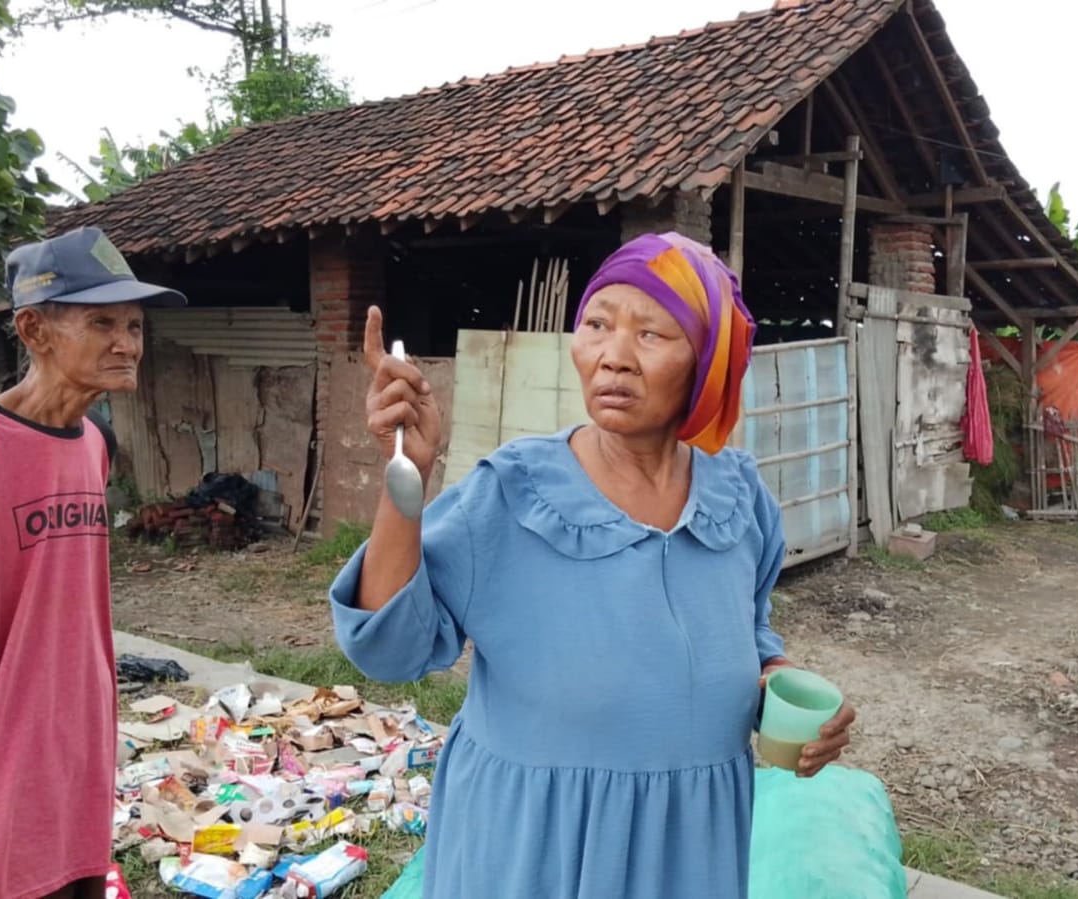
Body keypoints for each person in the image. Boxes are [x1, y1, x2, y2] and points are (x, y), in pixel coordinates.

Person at [330, 232, 857, 898]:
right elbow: (388, 649)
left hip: (688, 843)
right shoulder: (512, 494)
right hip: (535, 843)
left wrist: (776, 686)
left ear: (709, 360)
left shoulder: (739, 499)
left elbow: (745, 634)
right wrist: (409, 475)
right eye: (597, 324)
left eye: (651, 334)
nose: (613, 357)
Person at [0, 227, 185, 899]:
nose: (127, 342)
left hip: (80, 753)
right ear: (34, 329)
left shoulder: (95, 444)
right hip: (0, 761)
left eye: (134, 324)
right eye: (101, 321)